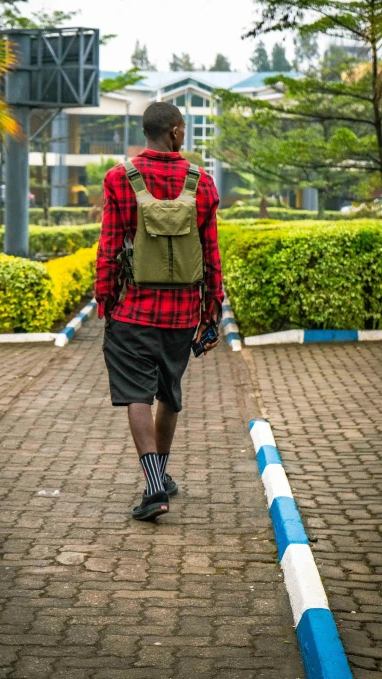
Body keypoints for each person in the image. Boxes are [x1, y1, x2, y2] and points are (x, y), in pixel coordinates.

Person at [95, 101, 224, 521]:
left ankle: (154, 485)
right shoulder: (202, 183)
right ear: (176, 132)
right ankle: (160, 479)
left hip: (133, 310)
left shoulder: (120, 179)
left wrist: (106, 300)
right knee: (169, 393)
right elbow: (210, 254)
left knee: (136, 394)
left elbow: (110, 248)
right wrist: (211, 310)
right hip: (182, 312)